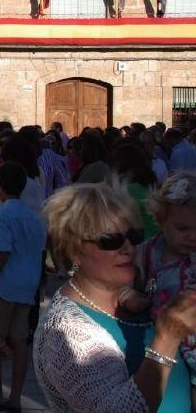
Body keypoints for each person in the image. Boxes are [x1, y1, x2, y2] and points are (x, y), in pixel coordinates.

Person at [34, 183, 196, 412]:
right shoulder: (64, 331)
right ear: (74, 251)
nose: (128, 248)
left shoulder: (139, 293)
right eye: (110, 240)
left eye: (133, 235)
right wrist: (167, 339)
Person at [0, 162, 47, 412]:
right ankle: (15, 399)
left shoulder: (3, 215)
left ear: (0, 187)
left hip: (3, 285)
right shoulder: (34, 217)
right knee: (19, 341)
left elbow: (1, 251)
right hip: (27, 285)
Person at [121, 173, 196, 386]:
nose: (193, 236)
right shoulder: (150, 251)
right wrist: (130, 294)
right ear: (161, 220)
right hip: (160, 342)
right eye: (183, 228)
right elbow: (132, 276)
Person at [113, 142, 160, 239]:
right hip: (157, 238)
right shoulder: (149, 183)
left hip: (144, 242)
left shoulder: (129, 190)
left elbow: (133, 226)